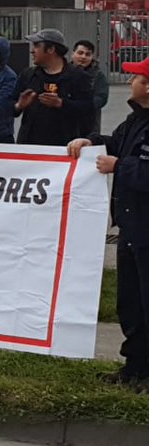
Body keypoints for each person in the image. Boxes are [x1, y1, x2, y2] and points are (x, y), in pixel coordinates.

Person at [67, 57, 149, 387]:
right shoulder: (135, 119)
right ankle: (134, 368)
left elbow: (140, 171)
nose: (130, 81)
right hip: (131, 228)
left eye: (136, 76)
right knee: (130, 303)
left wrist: (120, 166)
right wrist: (90, 141)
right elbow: (113, 142)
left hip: (145, 229)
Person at [14, 29, 93, 146]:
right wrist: (18, 106)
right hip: (30, 146)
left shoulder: (78, 77)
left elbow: (88, 110)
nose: (32, 51)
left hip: (64, 147)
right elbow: (9, 107)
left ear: (51, 49)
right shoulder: (28, 75)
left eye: (36, 46)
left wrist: (62, 103)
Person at [73, 40, 109, 137]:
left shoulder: (98, 75)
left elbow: (101, 98)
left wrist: (83, 106)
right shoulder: (65, 72)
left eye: (87, 54)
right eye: (80, 53)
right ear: (73, 54)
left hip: (90, 124)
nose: (83, 57)